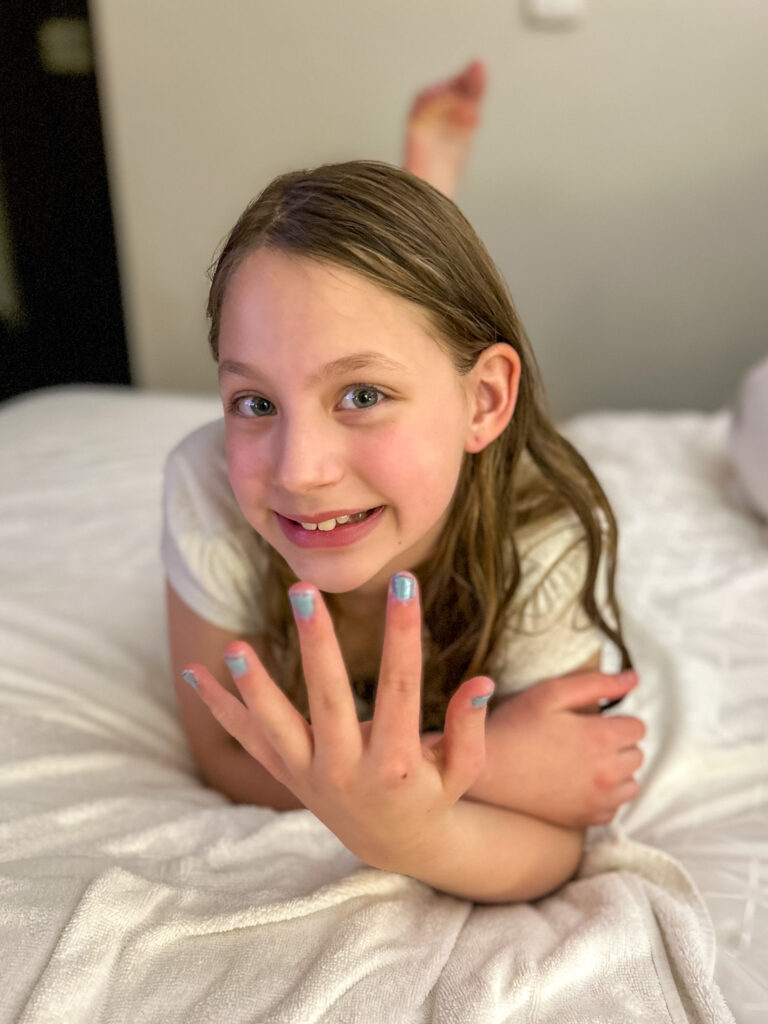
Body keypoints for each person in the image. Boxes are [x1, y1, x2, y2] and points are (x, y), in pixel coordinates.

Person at [161, 62, 646, 903]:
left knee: (418, 326)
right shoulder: (207, 480)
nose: (298, 471)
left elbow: (561, 833)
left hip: (490, 452)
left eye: (361, 396)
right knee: (393, 323)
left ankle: (429, 194)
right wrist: (460, 767)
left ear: (486, 401)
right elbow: (220, 751)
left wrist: (411, 824)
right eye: (254, 400)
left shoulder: (540, 536)